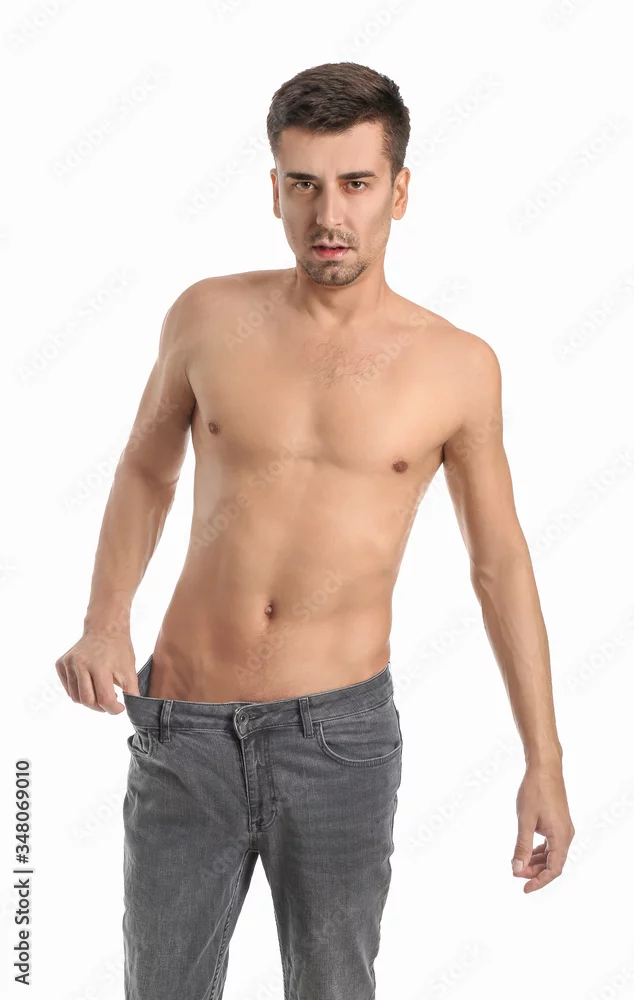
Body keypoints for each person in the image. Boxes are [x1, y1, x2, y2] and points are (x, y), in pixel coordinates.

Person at [55, 61, 575, 999]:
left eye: (356, 183)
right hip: (186, 725)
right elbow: (144, 469)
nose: (328, 215)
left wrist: (544, 760)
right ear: (274, 190)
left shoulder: (457, 366)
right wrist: (104, 620)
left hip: (339, 740)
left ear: (399, 192)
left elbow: (499, 563)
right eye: (303, 184)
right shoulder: (207, 316)